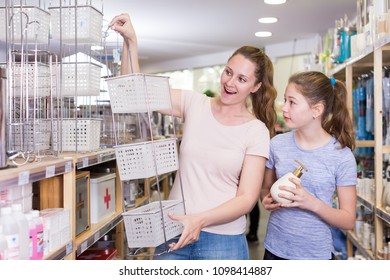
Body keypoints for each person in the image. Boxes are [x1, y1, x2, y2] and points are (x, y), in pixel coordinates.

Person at [110, 13, 277, 260]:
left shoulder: (256, 131)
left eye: (242, 79)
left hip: (223, 242)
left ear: (255, 86)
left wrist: (199, 220)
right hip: (174, 231)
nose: (230, 82)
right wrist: (131, 41)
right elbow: (132, 92)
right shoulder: (194, 103)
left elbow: (247, 199)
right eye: (228, 72)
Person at [260, 71, 357, 260]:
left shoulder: (341, 156)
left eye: (292, 102)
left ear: (316, 110)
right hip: (275, 250)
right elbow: (266, 188)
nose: (284, 108)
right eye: (284, 100)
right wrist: (268, 200)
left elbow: (348, 219)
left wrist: (311, 203)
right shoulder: (277, 144)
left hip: (315, 256)